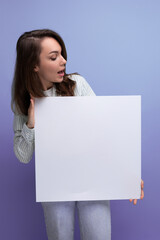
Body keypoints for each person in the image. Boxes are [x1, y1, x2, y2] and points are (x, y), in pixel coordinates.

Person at [11, 29, 144, 240]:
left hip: (93, 179)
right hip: (55, 185)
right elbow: (23, 156)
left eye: (62, 54)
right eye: (54, 57)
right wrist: (30, 123)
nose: (63, 61)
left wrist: (127, 174)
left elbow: (105, 133)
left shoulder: (76, 84)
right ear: (34, 65)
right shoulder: (23, 102)